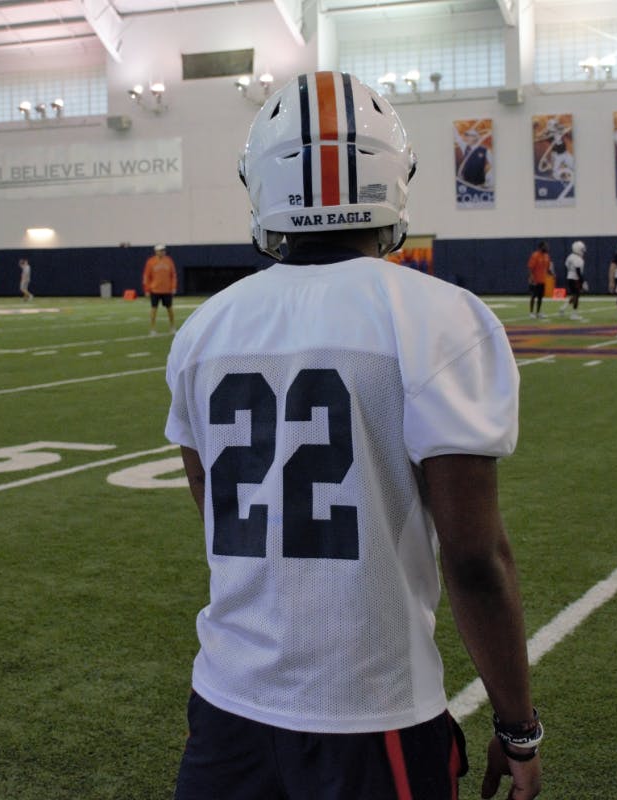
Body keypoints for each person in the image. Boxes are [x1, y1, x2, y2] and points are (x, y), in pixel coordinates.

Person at [165, 71, 542, 800]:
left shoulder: (204, 328)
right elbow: (472, 556)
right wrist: (517, 726)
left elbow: (214, 510)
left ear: (260, 183)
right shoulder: (441, 317)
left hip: (226, 708)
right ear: (391, 176)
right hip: (370, 714)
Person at [143, 243, 177, 334]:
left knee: (170, 309)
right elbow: (146, 276)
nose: (162, 252)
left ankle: (172, 326)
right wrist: (146, 289)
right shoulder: (150, 262)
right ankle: (153, 328)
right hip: (155, 290)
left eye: (163, 250)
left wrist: (173, 287)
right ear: (156, 251)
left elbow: (173, 275)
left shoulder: (169, 261)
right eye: (160, 250)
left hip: (167, 290)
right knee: (154, 309)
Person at [559, 240, 586, 319]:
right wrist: (582, 281)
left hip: (569, 277)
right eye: (582, 249)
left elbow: (567, 265)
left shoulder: (570, 256)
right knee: (576, 296)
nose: (583, 251)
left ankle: (563, 308)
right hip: (575, 279)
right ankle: (574, 314)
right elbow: (578, 272)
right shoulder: (578, 259)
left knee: (574, 295)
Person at [527, 241, 551, 319]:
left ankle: (538, 312)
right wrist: (531, 277)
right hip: (535, 280)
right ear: (541, 247)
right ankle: (531, 312)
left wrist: (551, 273)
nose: (547, 248)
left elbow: (547, 268)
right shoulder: (535, 255)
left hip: (543, 280)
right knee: (533, 296)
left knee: (540, 297)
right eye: (545, 246)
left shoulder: (547, 256)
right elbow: (530, 267)